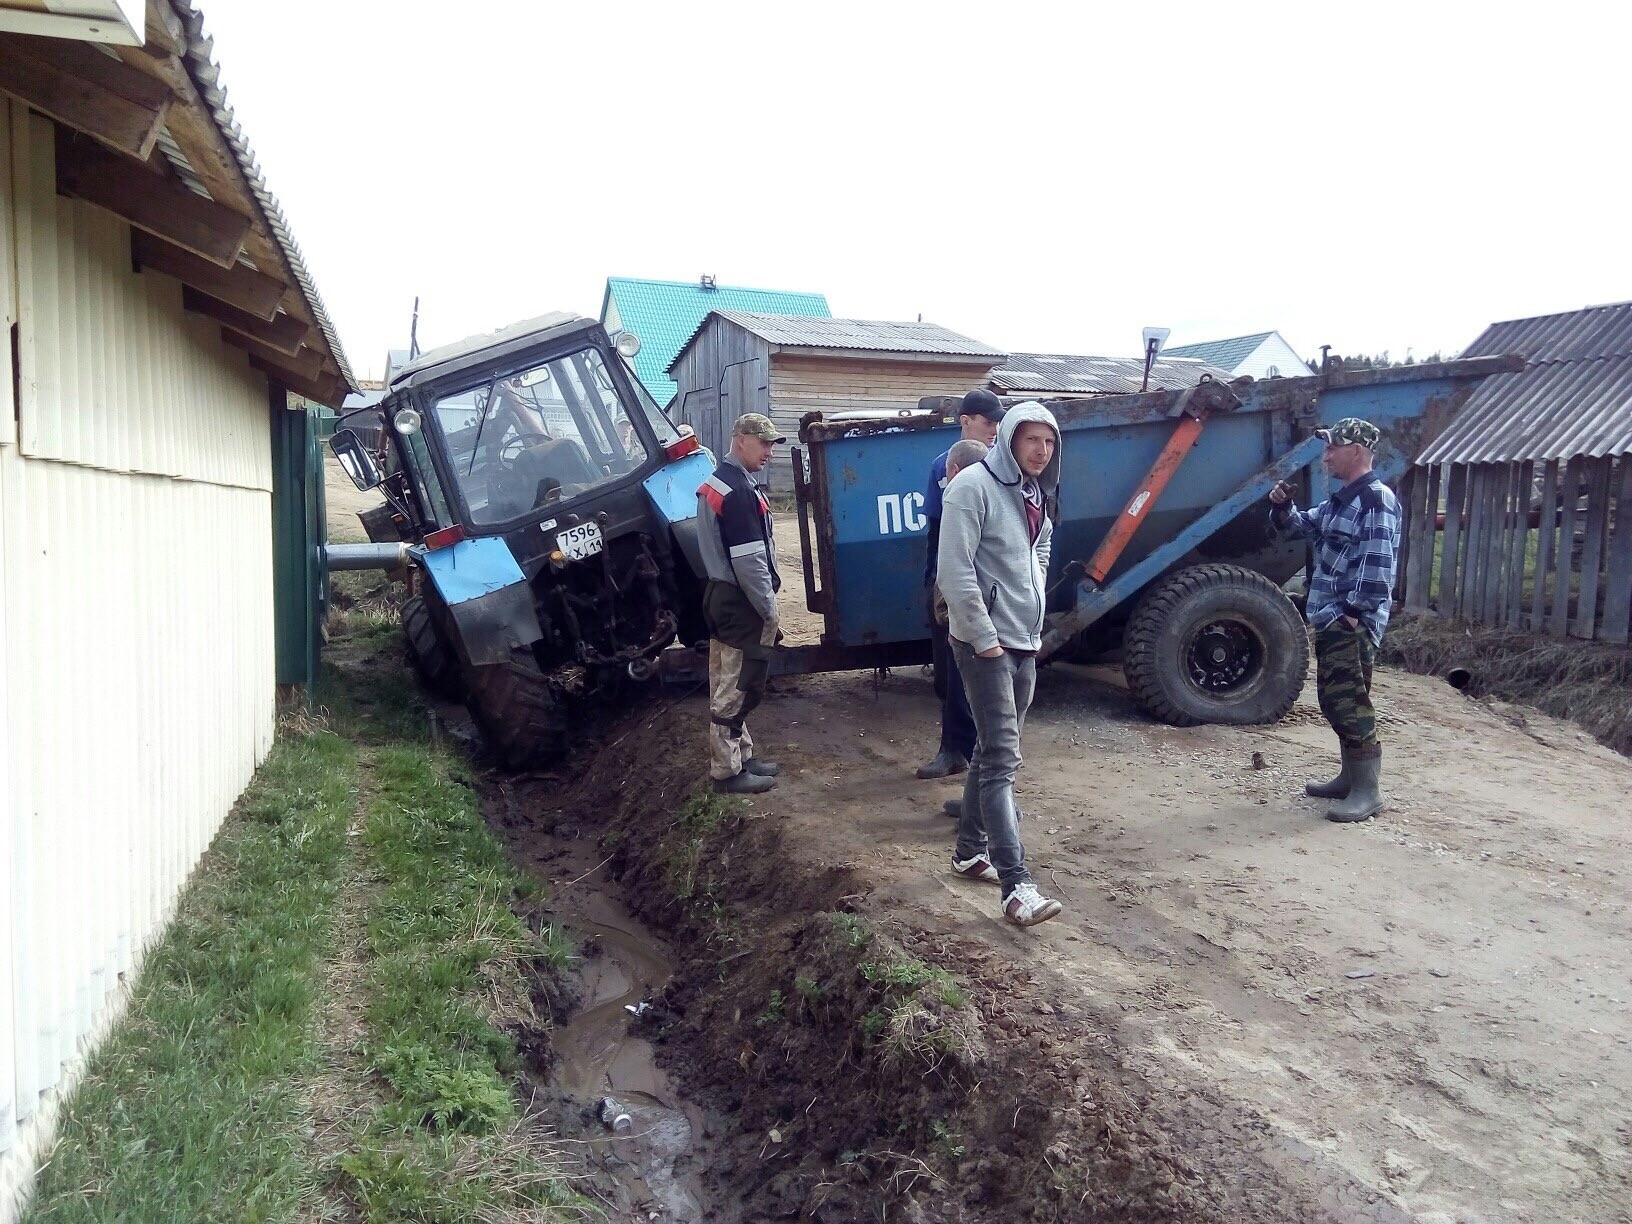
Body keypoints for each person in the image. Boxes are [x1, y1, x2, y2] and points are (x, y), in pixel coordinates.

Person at [937, 402, 1065, 927]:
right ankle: (1017, 887)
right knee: (1003, 761)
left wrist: (1031, 603)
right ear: (1008, 439)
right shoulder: (972, 488)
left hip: (1022, 639)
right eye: (1031, 440)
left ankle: (969, 850)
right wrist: (984, 636)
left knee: (992, 752)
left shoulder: (1033, 493)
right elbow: (954, 568)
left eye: (1049, 442)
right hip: (985, 644)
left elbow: (1041, 546)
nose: (1040, 451)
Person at [1269, 417, 1402, 823]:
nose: (1325, 456)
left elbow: (1378, 568)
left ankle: (1368, 791)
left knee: (1347, 701)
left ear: (1356, 451)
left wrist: (1352, 615)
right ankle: (1350, 779)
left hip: (1350, 620)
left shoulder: (1376, 501)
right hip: (1332, 617)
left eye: (1333, 448)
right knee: (1336, 698)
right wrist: (1281, 507)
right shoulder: (1341, 500)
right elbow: (1301, 526)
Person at [915, 389, 1006, 781]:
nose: (994, 430)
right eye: (988, 422)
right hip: (950, 580)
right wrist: (935, 582)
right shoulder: (945, 465)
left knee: (979, 678)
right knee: (947, 671)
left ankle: (977, 767)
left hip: (987, 585)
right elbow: (937, 533)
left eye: (999, 424)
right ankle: (954, 751)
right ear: (965, 420)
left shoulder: (1005, 466)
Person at [697, 413, 786, 795]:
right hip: (741, 602)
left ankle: (742, 755)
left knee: (725, 679)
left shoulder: (721, 482)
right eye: (762, 443)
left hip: (720, 596)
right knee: (738, 687)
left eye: (771, 444)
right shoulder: (738, 492)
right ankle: (728, 773)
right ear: (740, 440)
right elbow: (750, 562)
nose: (768, 451)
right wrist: (768, 609)